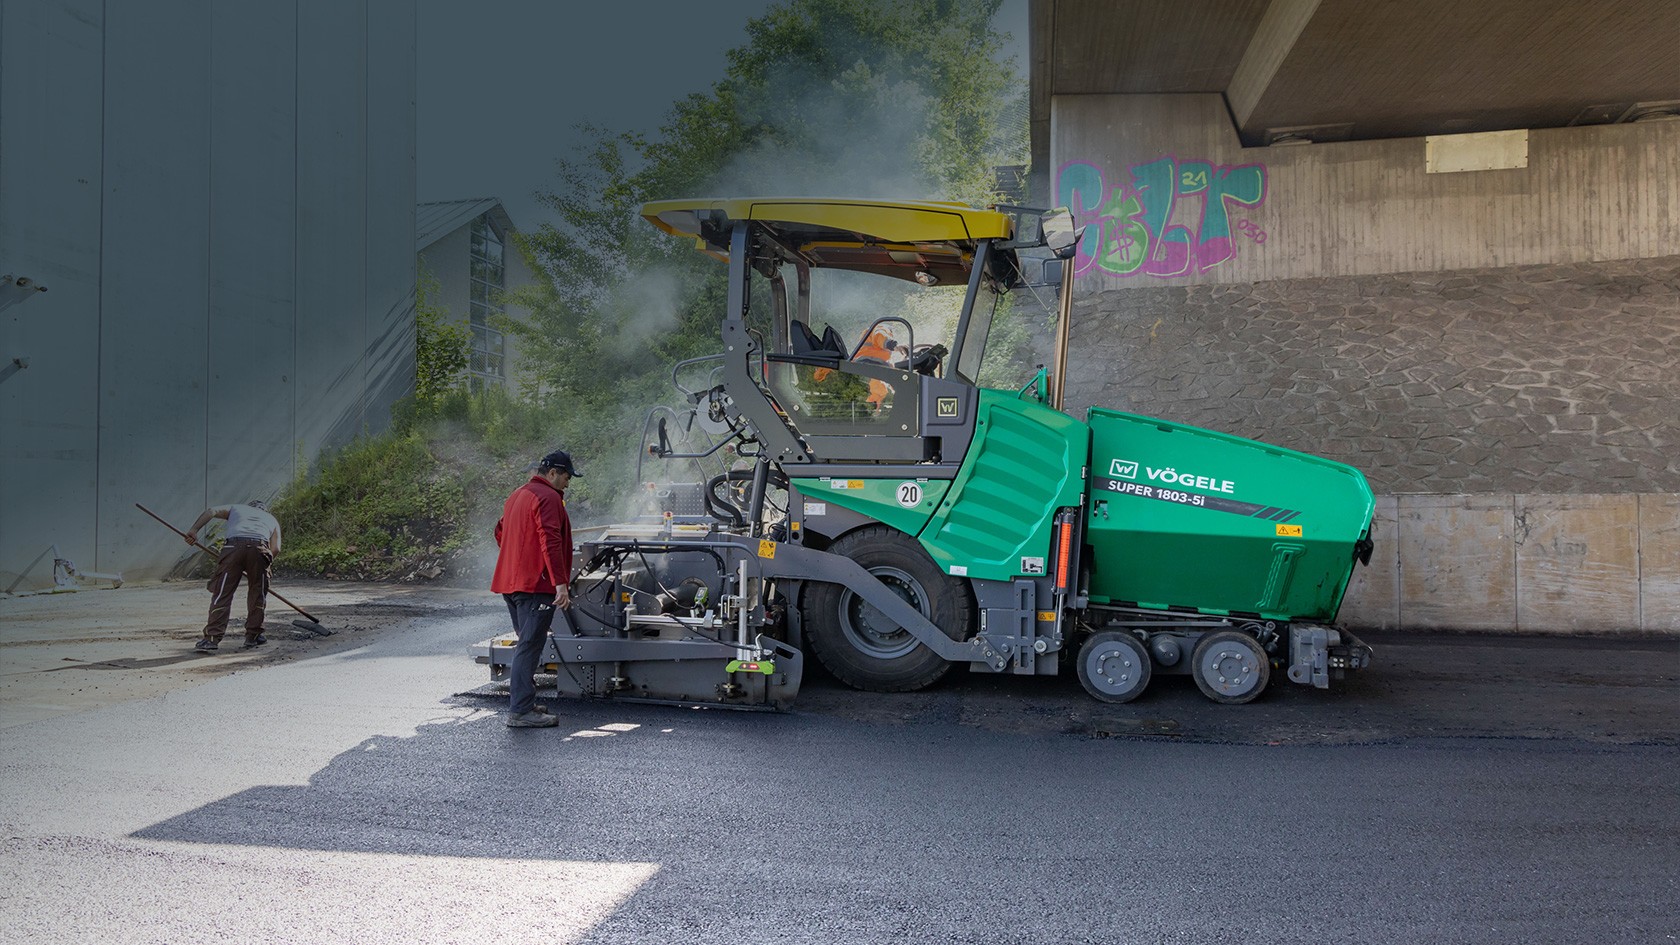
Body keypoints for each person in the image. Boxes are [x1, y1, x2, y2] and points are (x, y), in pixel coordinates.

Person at [490, 449, 581, 728]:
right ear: (552, 473)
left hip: (512, 583)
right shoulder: (548, 497)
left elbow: (500, 533)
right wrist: (560, 584)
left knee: (526, 644)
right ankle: (520, 711)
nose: (568, 483)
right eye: (566, 477)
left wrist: (517, 561)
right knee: (529, 647)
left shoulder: (517, 495)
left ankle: (525, 701)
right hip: (534, 585)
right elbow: (549, 540)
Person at [184, 499, 282, 652]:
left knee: (223, 592)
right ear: (264, 510)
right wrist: (260, 567)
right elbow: (275, 549)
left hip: (233, 548)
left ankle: (211, 639)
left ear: (249, 507)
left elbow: (211, 511)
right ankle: (253, 636)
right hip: (260, 549)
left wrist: (193, 530)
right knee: (258, 594)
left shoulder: (236, 509)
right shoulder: (271, 519)